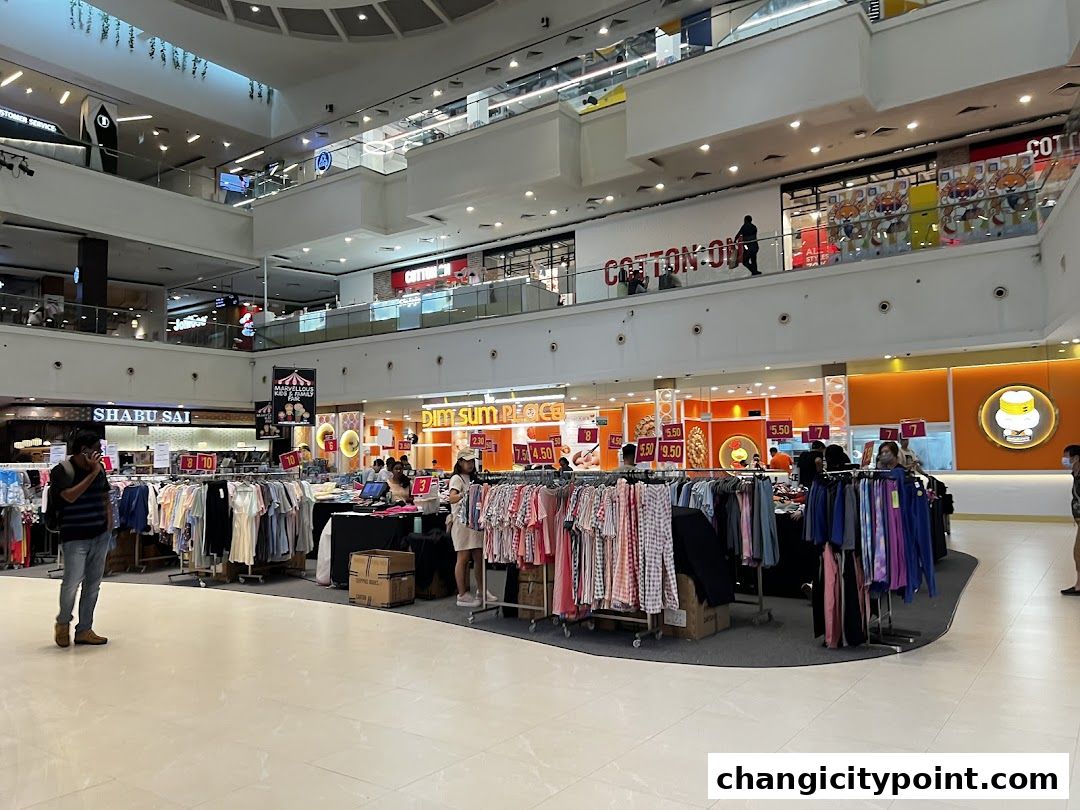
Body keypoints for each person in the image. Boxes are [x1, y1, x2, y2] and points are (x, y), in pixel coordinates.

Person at [51, 431, 112, 648]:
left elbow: (105, 497)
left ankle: (84, 629)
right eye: (97, 449)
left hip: (99, 534)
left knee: (93, 585)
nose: (100, 453)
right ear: (84, 451)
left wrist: (109, 524)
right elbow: (69, 496)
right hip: (74, 537)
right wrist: (93, 472)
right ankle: (63, 623)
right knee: (71, 583)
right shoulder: (61, 471)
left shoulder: (100, 470)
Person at [447, 450, 493, 608]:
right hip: (461, 523)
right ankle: (462, 594)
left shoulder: (474, 478)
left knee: (479, 557)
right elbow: (451, 498)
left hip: (474, 522)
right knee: (463, 558)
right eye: (467, 461)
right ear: (460, 462)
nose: (470, 464)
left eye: (472, 461)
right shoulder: (456, 479)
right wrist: (466, 494)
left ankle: (481, 589)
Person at [1061, 445, 1080, 596]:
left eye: (1067, 456)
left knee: (1078, 552)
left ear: (1076, 458)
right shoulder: (1075, 474)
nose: (1064, 460)